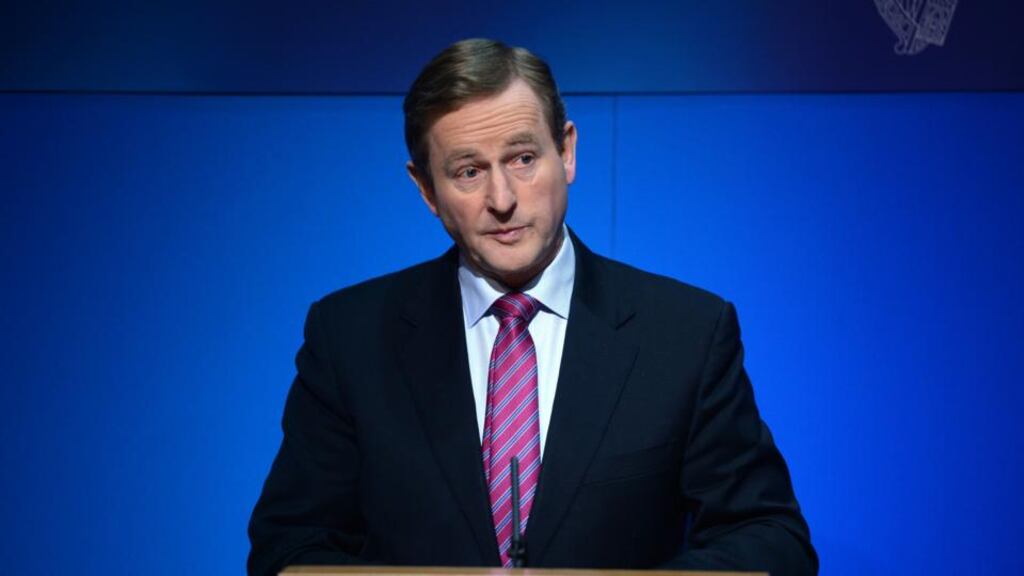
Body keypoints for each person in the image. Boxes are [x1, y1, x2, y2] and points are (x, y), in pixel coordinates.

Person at [248, 38, 817, 575]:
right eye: (468, 172)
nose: (502, 200)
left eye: (522, 158)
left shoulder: (686, 333)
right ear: (426, 190)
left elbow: (769, 537)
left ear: (566, 151)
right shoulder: (349, 338)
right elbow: (290, 548)